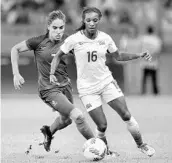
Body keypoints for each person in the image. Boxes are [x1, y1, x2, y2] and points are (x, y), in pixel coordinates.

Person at [50, 7, 155, 157]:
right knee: (102, 125)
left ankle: (141, 144)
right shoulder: (74, 39)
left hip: (106, 82)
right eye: (88, 20)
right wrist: (52, 73)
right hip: (87, 89)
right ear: (84, 21)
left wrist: (139, 55)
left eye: (95, 20)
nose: (92, 23)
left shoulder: (105, 38)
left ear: (99, 20)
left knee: (126, 115)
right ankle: (105, 150)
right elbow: (57, 56)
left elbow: (118, 56)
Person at [11, 10, 94, 152]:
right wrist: (16, 74)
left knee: (66, 120)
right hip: (48, 89)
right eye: (55, 28)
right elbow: (15, 49)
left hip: (65, 86)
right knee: (78, 116)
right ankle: (99, 147)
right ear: (48, 26)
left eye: (61, 28)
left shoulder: (68, 41)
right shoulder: (38, 42)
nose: (58, 31)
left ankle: (48, 132)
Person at [141, 25, 162, 95]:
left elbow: (141, 49)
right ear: (153, 31)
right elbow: (158, 51)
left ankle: (143, 92)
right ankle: (155, 92)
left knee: (144, 78)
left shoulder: (143, 38)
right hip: (153, 61)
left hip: (145, 61)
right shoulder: (156, 39)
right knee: (154, 78)